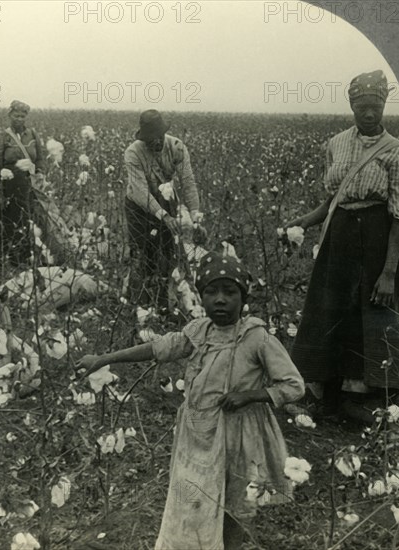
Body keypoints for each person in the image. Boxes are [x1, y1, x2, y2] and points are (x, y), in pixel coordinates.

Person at [76, 252, 305, 549]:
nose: (220, 300)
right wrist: (104, 359)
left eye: (230, 292)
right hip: (196, 434)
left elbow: (294, 385)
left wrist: (250, 395)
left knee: (234, 502)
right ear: (201, 297)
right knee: (191, 498)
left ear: (243, 297)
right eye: (211, 292)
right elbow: (158, 348)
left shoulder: (256, 338)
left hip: (239, 437)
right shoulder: (198, 332)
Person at [288, 70, 399, 419]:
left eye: (376, 107)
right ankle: (321, 387)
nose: (369, 114)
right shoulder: (336, 144)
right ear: (352, 106)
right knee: (327, 308)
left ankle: (366, 393)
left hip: (375, 237)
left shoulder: (396, 153)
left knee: (371, 311)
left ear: (384, 106)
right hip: (338, 239)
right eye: (362, 107)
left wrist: (388, 271)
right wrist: (305, 221)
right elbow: (332, 200)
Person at [124, 109, 203, 312]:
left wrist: (195, 216)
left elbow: (187, 181)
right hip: (138, 207)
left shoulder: (176, 147)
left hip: (166, 199)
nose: (155, 143)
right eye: (150, 139)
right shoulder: (133, 153)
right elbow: (140, 192)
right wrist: (164, 216)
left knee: (168, 251)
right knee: (141, 252)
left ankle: (163, 301)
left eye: (158, 138)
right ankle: (137, 302)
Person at [0, 100, 45, 268]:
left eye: (22, 116)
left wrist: (41, 174)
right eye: (16, 115)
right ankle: (10, 260)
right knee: (10, 223)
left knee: (31, 221)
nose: (19, 119)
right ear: (9, 115)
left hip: (30, 186)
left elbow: (40, 158)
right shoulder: (2, 137)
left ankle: (27, 257)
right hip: (9, 187)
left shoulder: (33, 135)